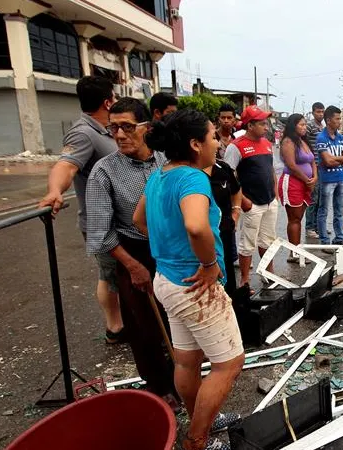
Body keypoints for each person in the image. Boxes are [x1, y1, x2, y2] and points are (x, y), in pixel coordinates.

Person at [134, 109, 244, 450]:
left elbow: (139, 219)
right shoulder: (193, 178)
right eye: (213, 137)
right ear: (196, 144)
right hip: (196, 287)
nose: (218, 142)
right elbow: (196, 226)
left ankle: (201, 420)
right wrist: (209, 263)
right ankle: (197, 440)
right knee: (229, 363)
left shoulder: (159, 176)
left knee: (188, 360)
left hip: (167, 281)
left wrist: (169, 248)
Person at [85, 97, 175, 398]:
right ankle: (159, 389)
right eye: (114, 128)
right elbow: (100, 232)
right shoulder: (104, 171)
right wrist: (134, 267)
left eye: (127, 127)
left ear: (146, 127)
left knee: (176, 319)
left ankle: (183, 379)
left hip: (171, 250)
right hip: (132, 253)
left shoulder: (167, 159)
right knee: (144, 329)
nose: (120, 135)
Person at [38, 75, 123, 344]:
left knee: (116, 275)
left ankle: (122, 321)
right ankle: (115, 328)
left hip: (120, 220)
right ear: (108, 102)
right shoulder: (84, 132)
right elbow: (66, 165)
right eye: (115, 97)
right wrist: (55, 192)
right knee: (109, 275)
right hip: (103, 223)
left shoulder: (105, 130)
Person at [224, 106, 278, 289]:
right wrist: (243, 201)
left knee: (268, 241)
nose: (266, 126)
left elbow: (270, 170)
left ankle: (268, 274)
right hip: (251, 203)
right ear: (250, 125)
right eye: (262, 123)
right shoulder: (236, 146)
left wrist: (275, 192)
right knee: (247, 244)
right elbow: (228, 176)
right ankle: (245, 281)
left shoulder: (266, 144)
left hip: (270, 201)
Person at [277, 113, 317, 260]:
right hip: (293, 182)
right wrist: (307, 179)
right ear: (293, 126)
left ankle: (297, 250)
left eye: (305, 124)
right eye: (301, 124)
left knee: (299, 218)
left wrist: (315, 177)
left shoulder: (303, 141)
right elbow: (291, 165)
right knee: (294, 219)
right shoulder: (288, 142)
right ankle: (293, 253)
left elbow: (313, 161)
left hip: (306, 183)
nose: (304, 127)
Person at [316, 106, 343, 247]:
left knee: (339, 210)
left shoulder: (341, 137)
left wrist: (335, 159)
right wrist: (341, 158)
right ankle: (324, 241)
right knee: (324, 210)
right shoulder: (321, 138)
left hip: (341, 178)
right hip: (327, 180)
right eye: (337, 119)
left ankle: (340, 237)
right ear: (329, 120)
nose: (339, 121)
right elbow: (327, 161)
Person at [205, 159, 242, 296]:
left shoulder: (223, 167)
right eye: (212, 139)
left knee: (228, 273)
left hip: (225, 232)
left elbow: (236, 190)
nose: (217, 145)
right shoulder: (190, 175)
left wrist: (236, 212)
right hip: (204, 240)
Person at [304, 102, 325, 239]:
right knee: (313, 199)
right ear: (313, 112)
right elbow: (304, 142)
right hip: (313, 167)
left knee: (320, 199)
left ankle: (317, 227)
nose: (321, 114)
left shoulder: (322, 127)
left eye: (322, 112)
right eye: (318, 112)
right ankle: (310, 227)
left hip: (321, 167)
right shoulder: (310, 126)